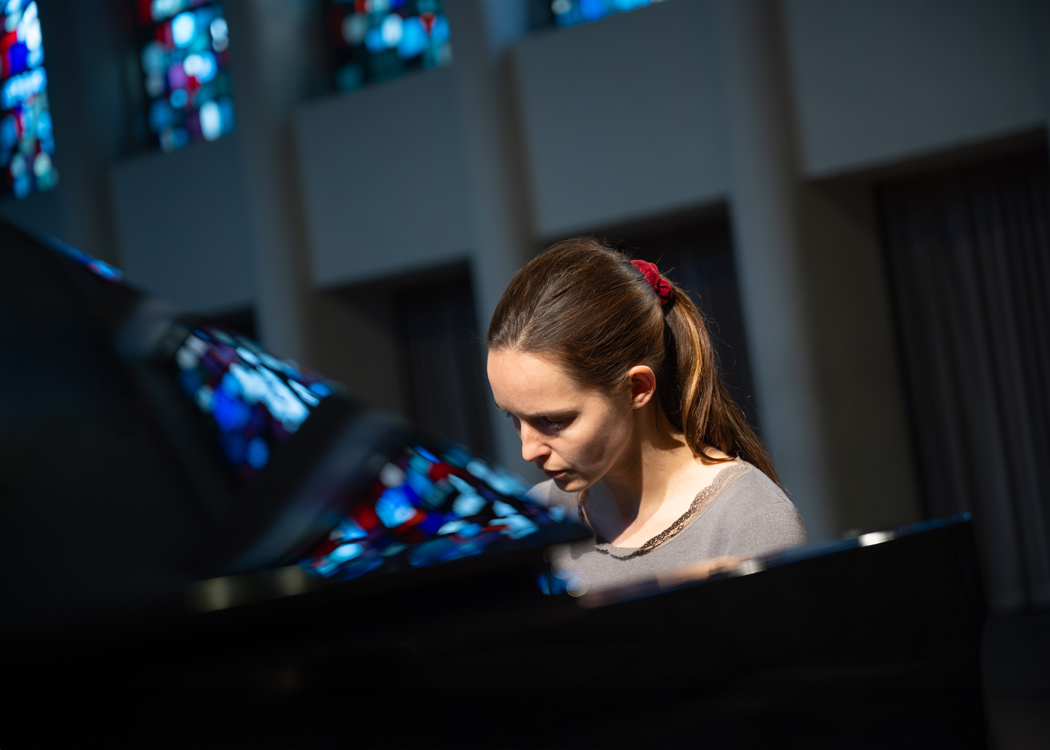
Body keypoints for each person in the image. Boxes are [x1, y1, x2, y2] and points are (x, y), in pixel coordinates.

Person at [486, 237, 806, 594]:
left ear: (637, 388)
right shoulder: (534, 520)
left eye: (555, 420)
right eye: (512, 418)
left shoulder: (750, 520)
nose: (528, 450)